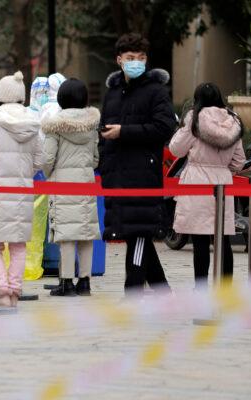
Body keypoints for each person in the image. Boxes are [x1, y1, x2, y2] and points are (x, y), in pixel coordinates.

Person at [99, 33, 177, 295]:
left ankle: (133, 295)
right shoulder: (111, 93)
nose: (136, 63)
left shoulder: (156, 91)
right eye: (130, 58)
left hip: (144, 174)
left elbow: (165, 127)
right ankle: (164, 294)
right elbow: (104, 131)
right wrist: (105, 165)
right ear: (119, 60)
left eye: (141, 58)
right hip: (117, 176)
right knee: (135, 234)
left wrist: (125, 132)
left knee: (139, 236)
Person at [0, 71, 43, 307]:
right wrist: (25, 176)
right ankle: (14, 291)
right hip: (23, 191)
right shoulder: (34, 122)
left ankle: (1, 290)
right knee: (18, 245)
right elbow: (39, 159)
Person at [169, 83, 245, 289]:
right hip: (222, 183)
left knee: (200, 241)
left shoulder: (194, 121)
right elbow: (239, 162)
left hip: (197, 182)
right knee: (223, 240)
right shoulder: (233, 123)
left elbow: (176, 149)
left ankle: (201, 290)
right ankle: (226, 292)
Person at [42, 78, 101, 296]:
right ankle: (85, 282)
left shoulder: (54, 125)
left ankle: (66, 282)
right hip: (86, 182)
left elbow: (48, 158)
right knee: (85, 233)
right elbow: (96, 159)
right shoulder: (92, 124)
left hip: (62, 183)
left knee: (66, 234)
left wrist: (49, 174)